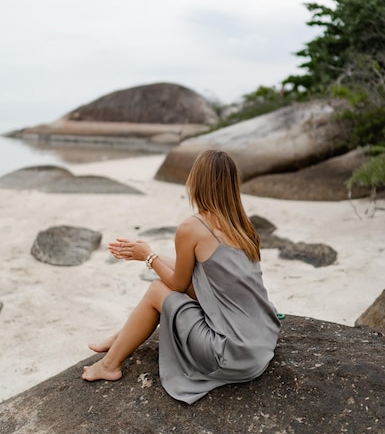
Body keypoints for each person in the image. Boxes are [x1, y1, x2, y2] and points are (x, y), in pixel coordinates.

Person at [82, 149, 280, 404]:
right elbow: (204, 280)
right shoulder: (242, 225)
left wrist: (149, 258)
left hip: (230, 354)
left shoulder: (193, 227)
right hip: (260, 344)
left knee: (157, 290)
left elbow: (178, 283)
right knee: (168, 286)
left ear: (196, 182)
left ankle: (109, 365)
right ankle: (121, 337)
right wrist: (148, 252)